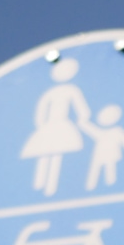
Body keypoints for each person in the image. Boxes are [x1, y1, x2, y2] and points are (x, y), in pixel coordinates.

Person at [20, 58, 91, 197]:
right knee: (46, 153)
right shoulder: (55, 92)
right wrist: (41, 124)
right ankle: (39, 185)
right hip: (51, 126)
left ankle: (49, 187)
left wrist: (83, 117)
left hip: (59, 125)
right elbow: (42, 109)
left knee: (56, 153)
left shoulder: (71, 90)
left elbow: (80, 107)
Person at [81, 104, 124, 191]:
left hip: (110, 154)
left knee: (109, 169)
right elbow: (92, 130)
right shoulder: (102, 132)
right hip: (100, 154)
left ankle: (110, 185)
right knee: (95, 169)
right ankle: (90, 186)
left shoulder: (116, 131)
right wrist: (83, 124)